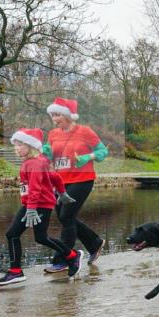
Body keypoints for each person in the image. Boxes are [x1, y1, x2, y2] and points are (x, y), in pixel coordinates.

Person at [0, 128, 80, 287]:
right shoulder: (38, 161)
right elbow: (55, 176)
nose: (16, 148)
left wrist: (31, 208)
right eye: (15, 145)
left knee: (12, 234)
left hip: (37, 205)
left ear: (31, 146)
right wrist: (61, 192)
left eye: (20, 145)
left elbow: (35, 189)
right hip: (37, 204)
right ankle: (72, 256)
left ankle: (15, 272)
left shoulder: (34, 163)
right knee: (40, 237)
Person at [41, 97, 107, 274]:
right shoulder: (53, 134)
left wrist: (88, 157)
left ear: (68, 115)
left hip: (82, 179)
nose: (54, 119)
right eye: (52, 115)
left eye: (57, 115)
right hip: (60, 180)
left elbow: (102, 151)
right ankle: (94, 243)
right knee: (63, 217)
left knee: (67, 216)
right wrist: (46, 154)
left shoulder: (85, 131)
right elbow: (50, 156)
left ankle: (63, 259)